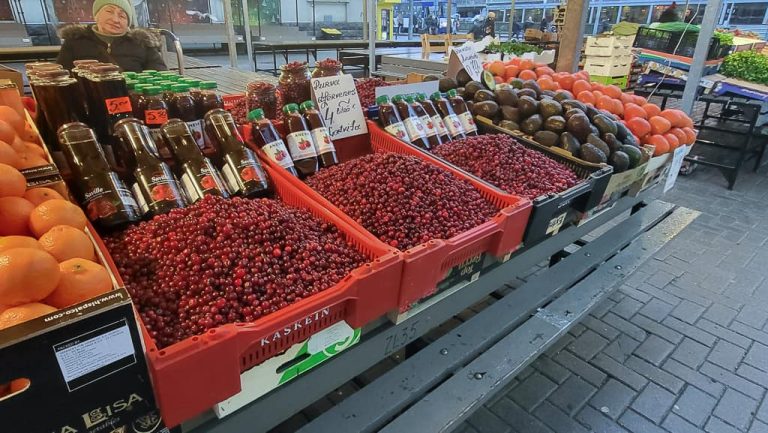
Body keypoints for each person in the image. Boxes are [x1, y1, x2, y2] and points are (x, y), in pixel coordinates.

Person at [57, 0, 167, 72]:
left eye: (122, 16)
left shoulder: (141, 43)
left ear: (127, 23)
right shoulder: (75, 41)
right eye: (109, 11)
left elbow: (160, 74)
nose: (115, 20)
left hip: (132, 100)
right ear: (96, 16)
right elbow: (62, 75)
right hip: (90, 101)